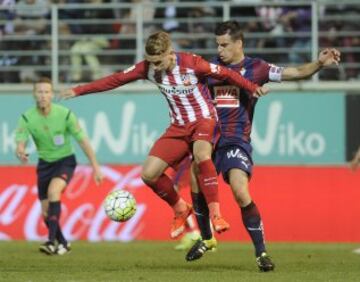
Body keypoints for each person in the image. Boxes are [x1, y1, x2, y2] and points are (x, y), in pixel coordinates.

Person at [60, 31, 269, 240]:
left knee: (202, 155)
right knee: (148, 174)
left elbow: (226, 73)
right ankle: (180, 208)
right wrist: (79, 90)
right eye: (151, 62)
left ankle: (216, 215)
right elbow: (116, 79)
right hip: (178, 126)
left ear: (170, 53)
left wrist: (251, 87)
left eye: (158, 61)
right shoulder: (148, 68)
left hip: (204, 119)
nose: (155, 66)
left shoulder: (193, 63)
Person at [185, 21, 341, 271]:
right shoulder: (210, 68)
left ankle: (261, 253)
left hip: (235, 141)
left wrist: (319, 63)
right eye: (217, 45)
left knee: (240, 191)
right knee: (195, 176)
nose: (220, 50)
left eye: (224, 44)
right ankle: (207, 238)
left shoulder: (257, 68)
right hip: (210, 139)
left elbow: (296, 72)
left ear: (239, 43)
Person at [15, 77, 103, 255]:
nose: (43, 95)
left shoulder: (65, 114)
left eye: (46, 92)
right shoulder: (27, 117)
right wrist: (21, 150)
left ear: (51, 94)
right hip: (44, 164)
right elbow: (20, 141)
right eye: (39, 92)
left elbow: (83, 141)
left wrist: (95, 166)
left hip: (65, 161)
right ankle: (63, 243)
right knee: (46, 214)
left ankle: (49, 242)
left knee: (54, 192)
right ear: (34, 94)